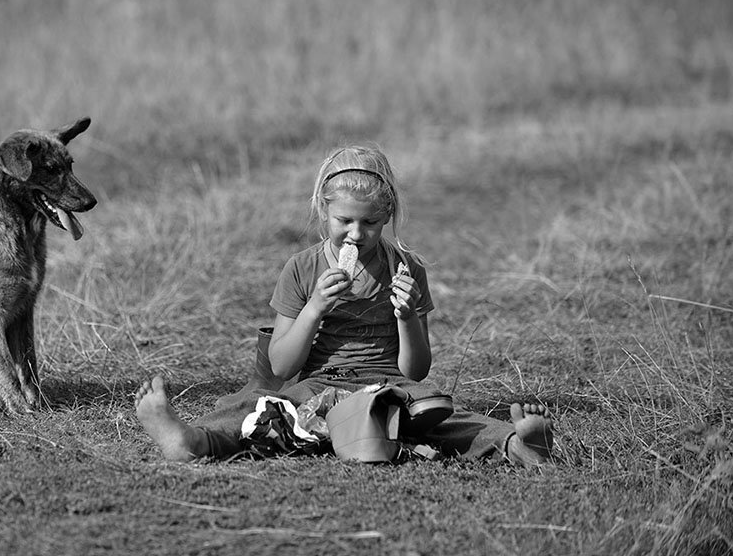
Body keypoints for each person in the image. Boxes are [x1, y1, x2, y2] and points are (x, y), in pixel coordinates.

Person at [135, 145, 554, 466]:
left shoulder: (406, 268)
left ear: (387, 215)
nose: (356, 234)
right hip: (318, 383)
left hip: (392, 385)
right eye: (345, 222)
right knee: (259, 409)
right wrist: (314, 307)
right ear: (324, 211)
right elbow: (281, 367)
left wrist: (407, 317)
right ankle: (190, 440)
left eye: (370, 222)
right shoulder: (302, 268)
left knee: (448, 415)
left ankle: (518, 443)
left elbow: (416, 370)